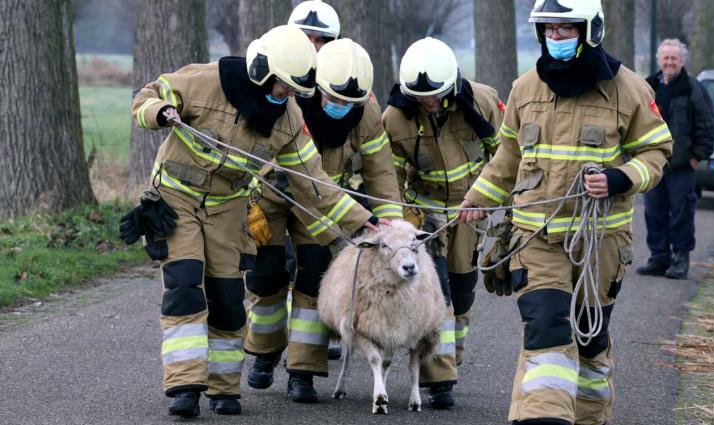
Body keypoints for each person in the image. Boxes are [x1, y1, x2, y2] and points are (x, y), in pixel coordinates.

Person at [125, 25, 382, 418]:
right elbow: (146, 96)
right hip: (177, 197)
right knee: (184, 283)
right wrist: (158, 112)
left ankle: (224, 388)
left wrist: (364, 222)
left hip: (228, 207)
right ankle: (185, 385)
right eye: (283, 87)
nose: (288, 96)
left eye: (295, 91)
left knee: (228, 298)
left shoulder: (289, 118)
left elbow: (315, 181)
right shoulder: (204, 80)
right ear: (262, 69)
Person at [458, 1, 673, 424]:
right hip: (535, 239)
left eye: (565, 30)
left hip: (600, 244)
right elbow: (508, 156)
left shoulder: (629, 90)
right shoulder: (525, 88)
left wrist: (620, 178)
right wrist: (477, 199)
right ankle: (544, 418)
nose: (555, 39)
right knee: (546, 328)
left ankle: (589, 416)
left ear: (590, 30)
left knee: (590, 341)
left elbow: (657, 151)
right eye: (549, 31)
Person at [243, 37, 402, 403]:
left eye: (348, 103)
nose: (338, 107)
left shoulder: (366, 113)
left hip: (322, 205)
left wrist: (391, 230)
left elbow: (382, 175)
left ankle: (303, 371)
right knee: (266, 274)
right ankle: (265, 352)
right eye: (332, 98)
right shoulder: (292, 99)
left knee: (315, 279)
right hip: (274, 195)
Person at [383, 36, 504, 409]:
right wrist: (396, 225)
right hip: (425, 218)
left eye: (435, 95)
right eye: (421, 98)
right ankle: (439, 377)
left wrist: (491, 203)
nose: (429, 103)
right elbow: (387, 175)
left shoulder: (483, 102)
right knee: (437, 294)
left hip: (471, 213)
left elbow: (509, 156)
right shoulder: (395, 119)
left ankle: (451, 354)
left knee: (463, 292)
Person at [637, 38, 714, 280]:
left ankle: (681, 258)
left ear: (682, 61)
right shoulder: (647, 87)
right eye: (666, 58)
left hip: (682, 166)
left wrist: (697, 156)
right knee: (654, 212)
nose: (670, 62)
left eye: (674, 58)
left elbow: (706, 125)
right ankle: (659, 257)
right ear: (659, 60)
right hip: (652, 165)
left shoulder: (693, 88)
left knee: (682, 213)